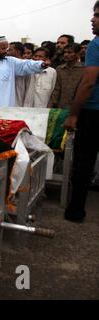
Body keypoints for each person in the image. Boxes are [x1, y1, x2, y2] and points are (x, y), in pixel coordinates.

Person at [63, 1, 99, 222]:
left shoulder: (96, 44)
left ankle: (76, 210)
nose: (92, 19)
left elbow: (88, 83)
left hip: (94, 112)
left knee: (83, 162)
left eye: (98, 15)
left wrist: (74, 114)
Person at [50, 43, 84, 109]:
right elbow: (57, 88)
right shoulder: (60, 69)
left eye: (69, 52)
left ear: (77, 54)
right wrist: (53, 103)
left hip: (78, 107)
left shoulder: (84, 69)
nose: (66, 55)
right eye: (65, 52)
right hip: (61, 105)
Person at [8, 41, 31, 107]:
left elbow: (29, 91)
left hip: (18, 105)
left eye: (10, 50)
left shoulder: (26, 66)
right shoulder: (6, 65)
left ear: (17, 51)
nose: (7, 52)